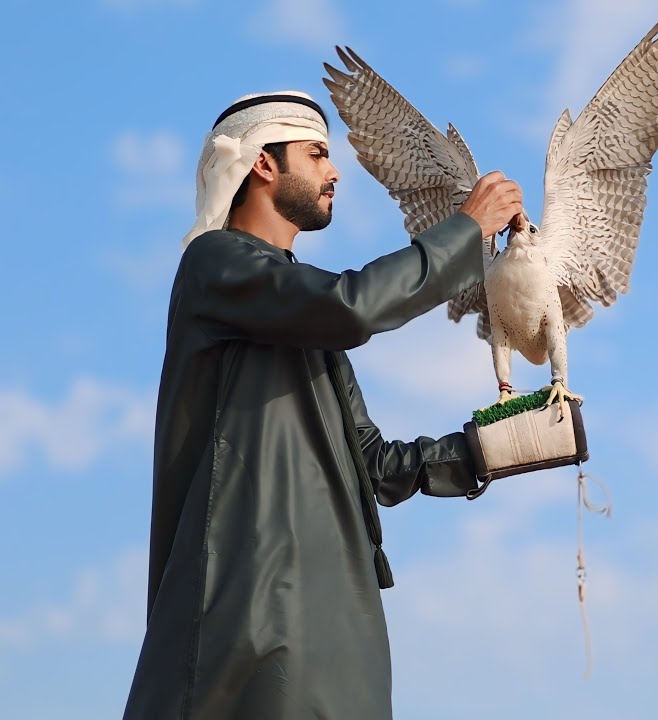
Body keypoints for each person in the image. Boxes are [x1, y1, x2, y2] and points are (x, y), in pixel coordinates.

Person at [122, 91, 523, 719]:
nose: (334, 171)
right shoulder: (215, 264)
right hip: (250, 631)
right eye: (317, 155)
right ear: (263, 165)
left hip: (336, 633)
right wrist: (467, 229)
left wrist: (481, 452)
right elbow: (350, 306)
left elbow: (371, 463)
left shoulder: (299, 315)